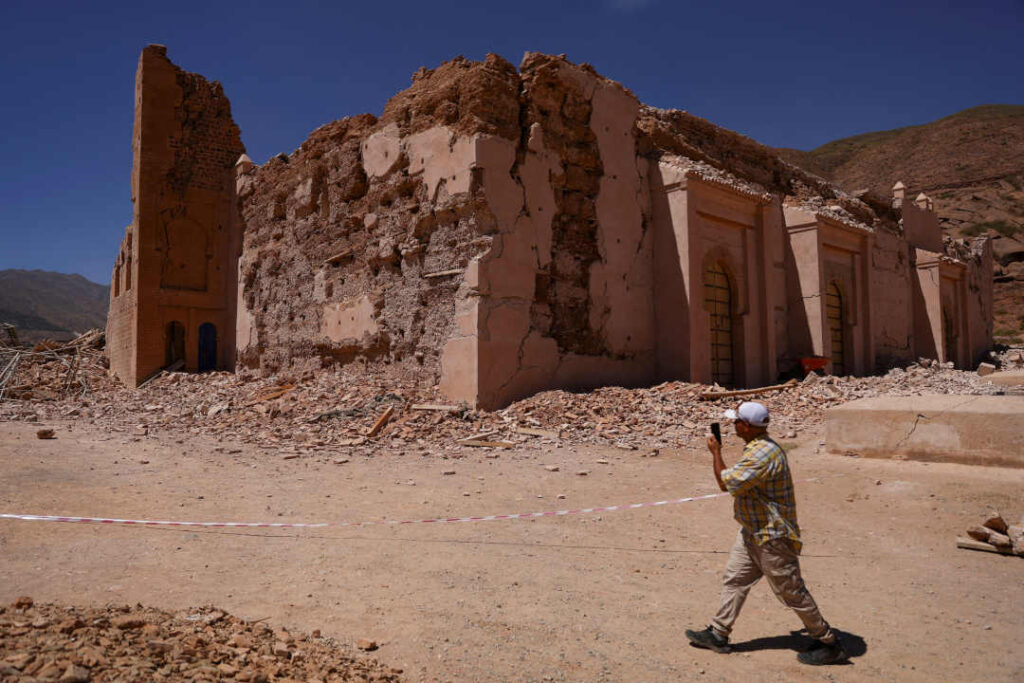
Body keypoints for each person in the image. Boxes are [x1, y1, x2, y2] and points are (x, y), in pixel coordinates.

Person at [684, 401, 847, 666]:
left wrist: (715, 452)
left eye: (736, 421)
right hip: (753, 531)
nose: (733, 425)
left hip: (772, 537)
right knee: (735, 580)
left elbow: (725, 483)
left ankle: (828, 642)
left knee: (792, 592)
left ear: (746, 426)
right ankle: (718, 633)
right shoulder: (758, 447)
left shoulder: (760, 455)